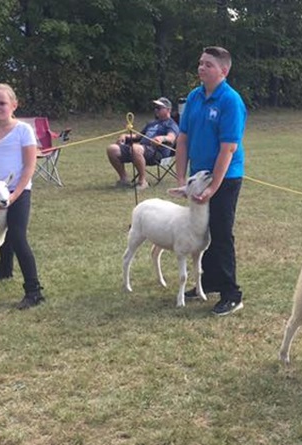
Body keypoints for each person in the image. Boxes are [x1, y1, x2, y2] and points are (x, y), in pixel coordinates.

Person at [171, 46, 247, 316]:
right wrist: (182, 179)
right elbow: (183, 139)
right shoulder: (194, 97)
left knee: (221, 232)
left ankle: (231, 294)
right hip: (198, 177)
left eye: (208, 65)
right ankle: (206, 283)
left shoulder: (230, 101)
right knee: (201, 231)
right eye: (200, 63)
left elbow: (228, 148)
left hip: (225, 178)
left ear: (223, 71)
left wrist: (214, 186)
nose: (202, 68)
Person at [0, 83, 46, 309]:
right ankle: (5, 268)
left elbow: (28, 167)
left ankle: (34, 290)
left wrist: (14, 196)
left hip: (18, 191)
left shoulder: (23, 130)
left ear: (14, 105)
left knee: (16, 235)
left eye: (2, 103)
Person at [106, 97, 179, 189]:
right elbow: (138, 136)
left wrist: (161, 138)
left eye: (159, 108)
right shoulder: (151, 123)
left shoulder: (171, 124)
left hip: (157, 153)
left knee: (135, 148)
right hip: (140, 149)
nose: (156, 110)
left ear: (168, 110)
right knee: (112, 149)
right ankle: (123, 179)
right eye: (155, 108)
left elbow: (171, 138)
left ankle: (142, 181)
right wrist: (125, 136)